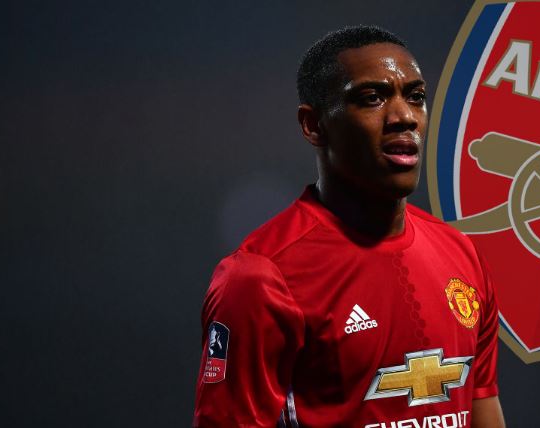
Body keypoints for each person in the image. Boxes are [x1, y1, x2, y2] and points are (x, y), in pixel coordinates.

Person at [193, 26, 507, 428]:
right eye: (372, 98)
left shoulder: (462, 256)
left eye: (415, 97)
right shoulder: (260, 278)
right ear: (313, 125)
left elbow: (483, 407)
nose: (404, 117)